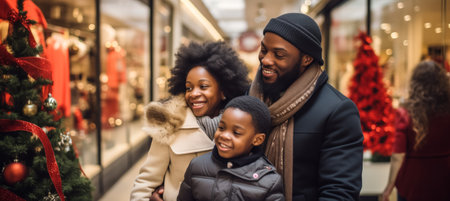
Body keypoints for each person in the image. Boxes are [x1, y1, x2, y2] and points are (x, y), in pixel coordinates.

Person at [248, 13, 364, 201]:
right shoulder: (250, 98)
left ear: (306, 59)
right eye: (264, 50)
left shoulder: (337, 111)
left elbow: (339, 192)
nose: (266, 60)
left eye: (279, 54)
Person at [130, 41, 250, 201]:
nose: (193, 94)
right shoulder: (170, 124)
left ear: (223, 91)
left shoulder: (243, 126)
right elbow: (145, 182)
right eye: (189, 88)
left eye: (203, 86)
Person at [177, 95, 284, 201]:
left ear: (257, 140)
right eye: (221, 128)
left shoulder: (269, 182)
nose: (224, 135)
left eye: (236, 133)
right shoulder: (196, 166)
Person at [380, 61, 450, 201]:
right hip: (445, 178)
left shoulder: (405, 113)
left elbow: (397, 156)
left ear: (415, 83)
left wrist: (388, 188)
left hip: (413, 183)